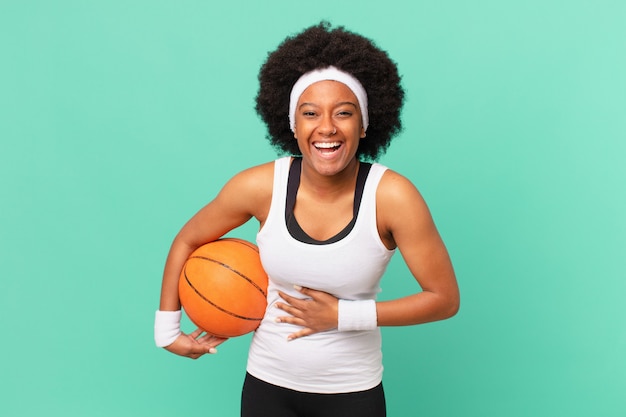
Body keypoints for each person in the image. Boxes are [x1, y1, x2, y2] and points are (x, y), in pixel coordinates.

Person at [154, 22, 459, 417]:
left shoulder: (392, 197)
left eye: (344, 113)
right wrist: (167, 331)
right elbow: (187, 241)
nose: (327, 127)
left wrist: (341, 316)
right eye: (310, 113)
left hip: (353, 392)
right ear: (293, 125)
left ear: (364, 125)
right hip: (268, 386)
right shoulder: (260, 186)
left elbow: (444, 299)